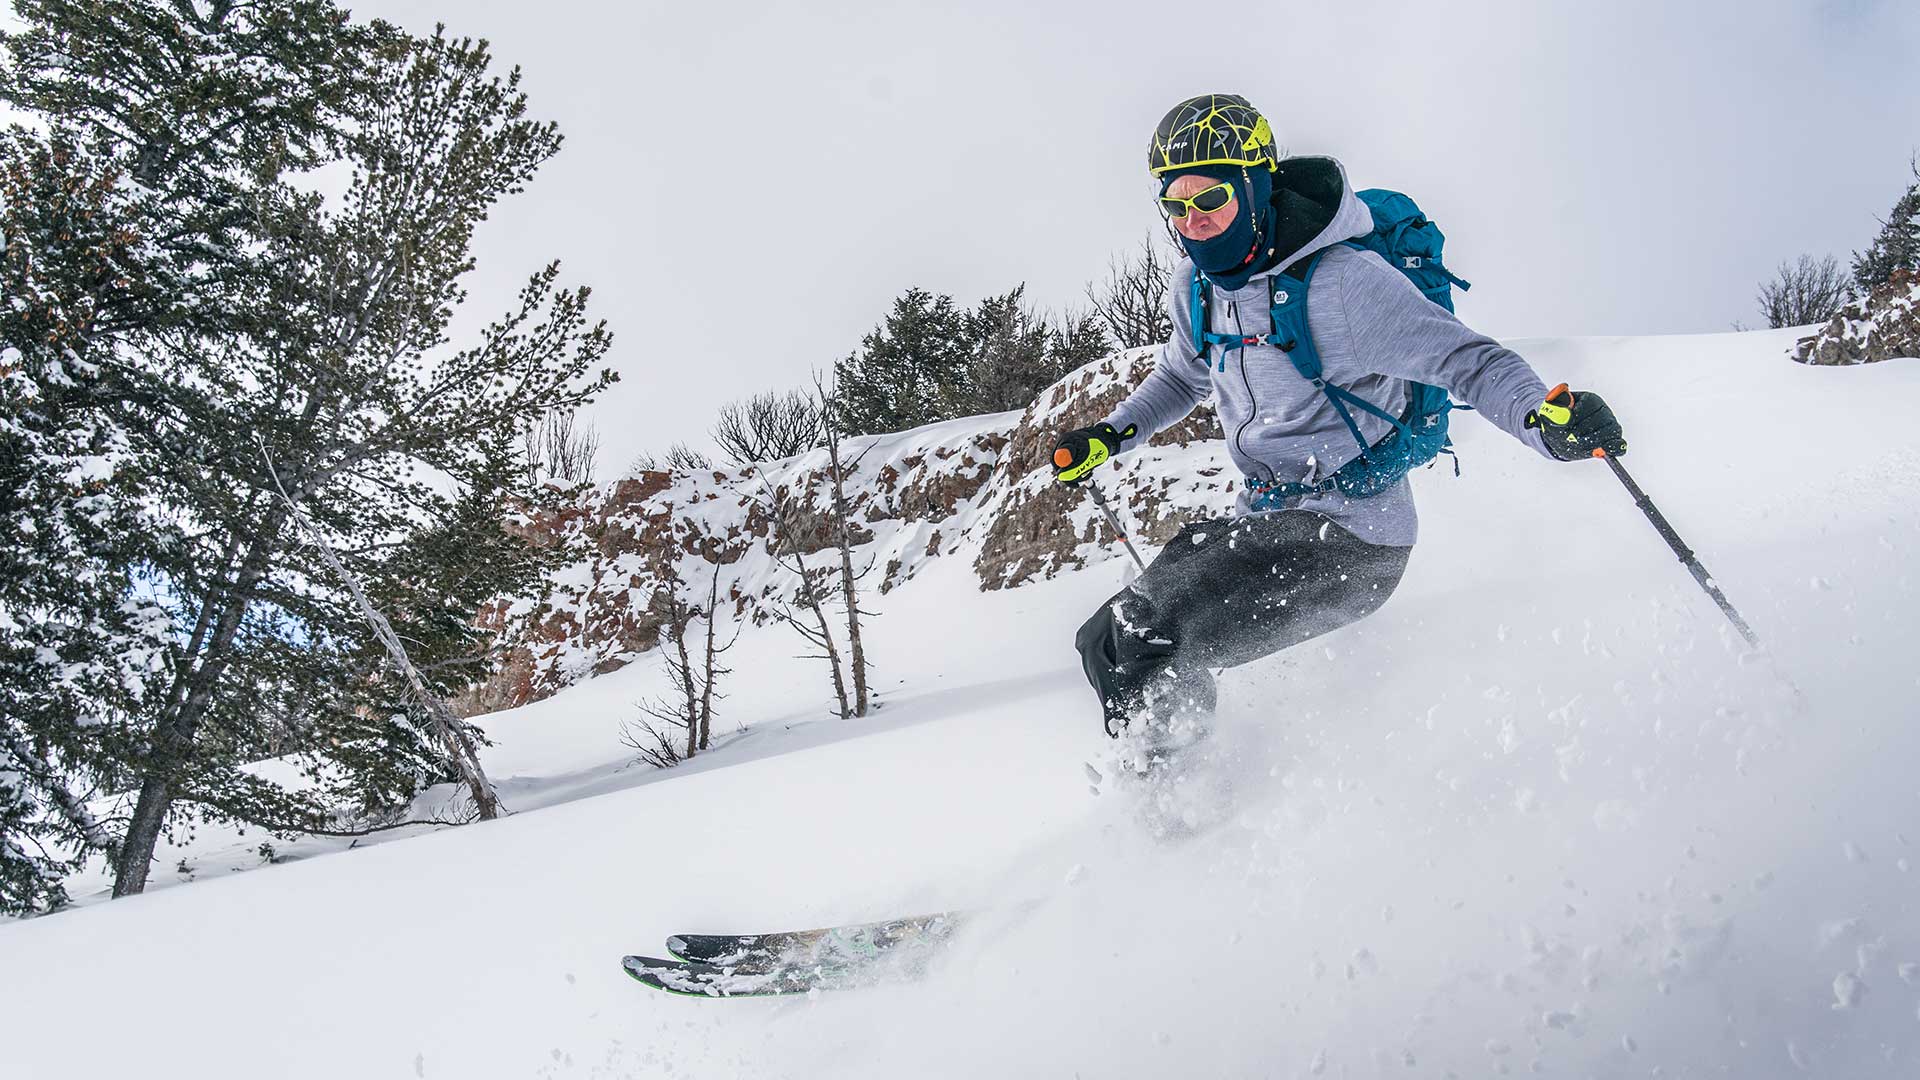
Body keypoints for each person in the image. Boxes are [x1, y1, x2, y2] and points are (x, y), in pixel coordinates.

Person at [1054, 92, 1627, 750]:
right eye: (1177, 207)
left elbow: (1469, 361)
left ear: (1256, 186)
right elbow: (1183, 375)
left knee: (1149, 631)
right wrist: (1109, 437)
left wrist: (1542, 417)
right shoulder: (1196, 291)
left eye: (1211, 200)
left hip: (1354, 543)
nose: (1195, 222)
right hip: (1266, 522)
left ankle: (1181, 810)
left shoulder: (1344, 287)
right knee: (1103, 641)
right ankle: (1178, 794)